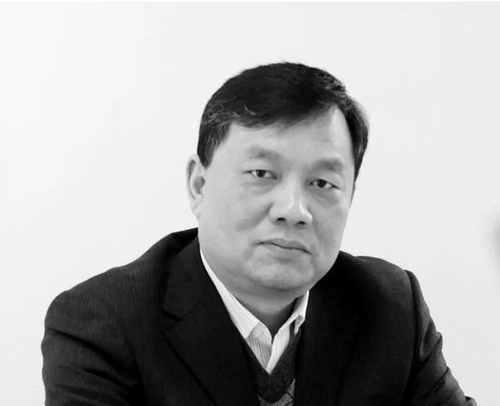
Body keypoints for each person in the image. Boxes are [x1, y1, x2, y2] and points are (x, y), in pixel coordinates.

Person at [42, 62, 476, 406]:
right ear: (198, 185)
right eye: (262, 173)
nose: (294, 210)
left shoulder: (391, 307)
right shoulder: (102, 324)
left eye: (322, 183)